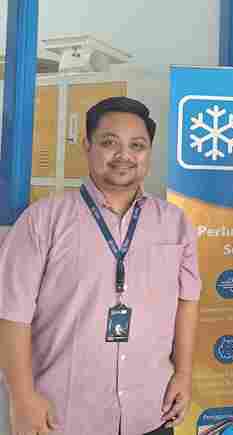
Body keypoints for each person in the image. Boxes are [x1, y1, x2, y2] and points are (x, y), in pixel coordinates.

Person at [0, 97, 202, 435]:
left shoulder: (175, 223)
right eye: (110, 143)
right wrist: (22, 397)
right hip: (62, 416)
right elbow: (11, 314)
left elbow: (187, 303)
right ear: (87, 145)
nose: (124, 155)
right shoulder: (43, 220)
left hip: (151, 410)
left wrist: (183, 374)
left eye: (137, 146)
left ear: (149, 153)